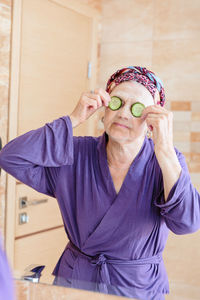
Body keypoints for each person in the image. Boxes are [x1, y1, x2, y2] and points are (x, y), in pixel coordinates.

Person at [0, 66, 199, 300]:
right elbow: (11, 157)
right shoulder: (75, 153)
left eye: (137, 109)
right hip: (75, 284)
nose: (124, 113)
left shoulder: (166, 162)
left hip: (135, 289)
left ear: (152, 121)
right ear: (104, 109)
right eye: (117, 102)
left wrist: (164, 148)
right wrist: (74, 119)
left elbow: (188, 223)